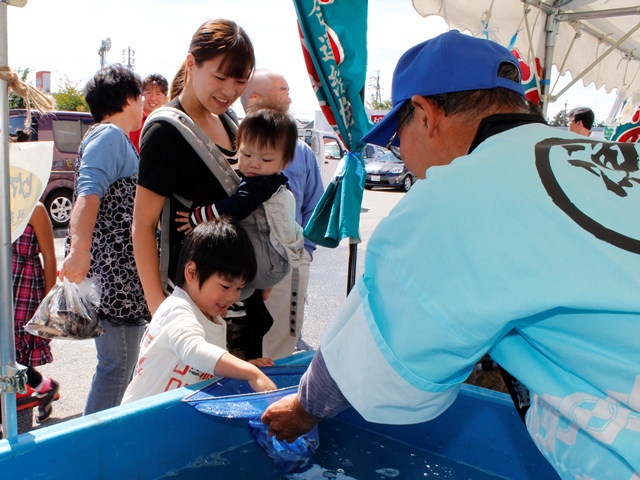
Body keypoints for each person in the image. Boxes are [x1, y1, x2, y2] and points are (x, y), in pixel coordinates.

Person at [262, 30, 640, 480]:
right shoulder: (619, 156)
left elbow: (375, 353)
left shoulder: (461, 193)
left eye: (397, 136)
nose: (401, 156)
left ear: (424, 113)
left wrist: (302, 411)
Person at [133, 18, 255, 317]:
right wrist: (159, 312)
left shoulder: (229, 122)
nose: (230, 91)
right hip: (190, 307)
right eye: (221, 77)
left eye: (240, 81)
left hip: (237, 300)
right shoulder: (166, 130)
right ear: (191, 64)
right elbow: (143, 226)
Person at [59, 64, 150, 414]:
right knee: (116, 367)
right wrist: (79, 250)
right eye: (140, 96)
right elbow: (87, 193)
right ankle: (94, 451)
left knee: (121, 366)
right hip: (115, 279)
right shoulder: (108, 136)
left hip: (121, 279)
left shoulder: (110, 137)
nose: (143, 105)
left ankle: (102, 445)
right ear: (129, 98)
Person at [122, 219, 276, 404]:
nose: (232, 297)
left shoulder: (210, 317)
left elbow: (205, 370)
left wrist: (241, 368)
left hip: (171, 418)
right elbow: (193, 349)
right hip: (141, 420)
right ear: (192, 273)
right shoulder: (177, 310)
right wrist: (251, 373)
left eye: (239, 288)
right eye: (225, 286)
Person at [240, 69, 324, 360]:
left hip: (288, 264)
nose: (289, 96)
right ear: (255, 98)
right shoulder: (234, 143)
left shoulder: (301, 151)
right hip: (240, 267)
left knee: (280, 344)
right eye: (282, 89)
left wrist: (305, 253)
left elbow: (316, 206)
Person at [12, 203, 59, 422]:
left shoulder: (35, 208)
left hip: (25, 288)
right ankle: (43, 385)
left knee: (13, 351)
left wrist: (48, 303)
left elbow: (49, 257)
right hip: (4, 287)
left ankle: (14, 416)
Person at [129, 73, 168, 151]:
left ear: (165, 98)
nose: (153, 98)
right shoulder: (134, 119)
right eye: (149, 93)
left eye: (158, 94)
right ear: (141, 95)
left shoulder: (168, 121)